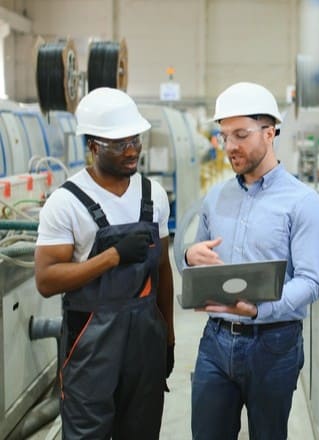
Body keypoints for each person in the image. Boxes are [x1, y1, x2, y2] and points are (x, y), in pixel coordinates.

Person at [184, 82, 319, 439]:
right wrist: (189, 254)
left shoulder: (303, 203)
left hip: (273, 344)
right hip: (215, 343)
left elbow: (310, 282)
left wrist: (258, 310)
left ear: (270, 133)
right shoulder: (216, 198)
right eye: (224, 136)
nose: (230, 146)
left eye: (240, 134)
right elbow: (192, 258)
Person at [34, 87, 175, 439]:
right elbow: (47, 279)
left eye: (136, 141)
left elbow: (163, 269)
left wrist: (168, 338)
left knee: (141, 430)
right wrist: (111, 257)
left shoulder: (152, 194)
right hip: (91, 340)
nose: (131, 152)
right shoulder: (66, 203)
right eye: (119, 144)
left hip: (145, 336)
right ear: (94, 146)